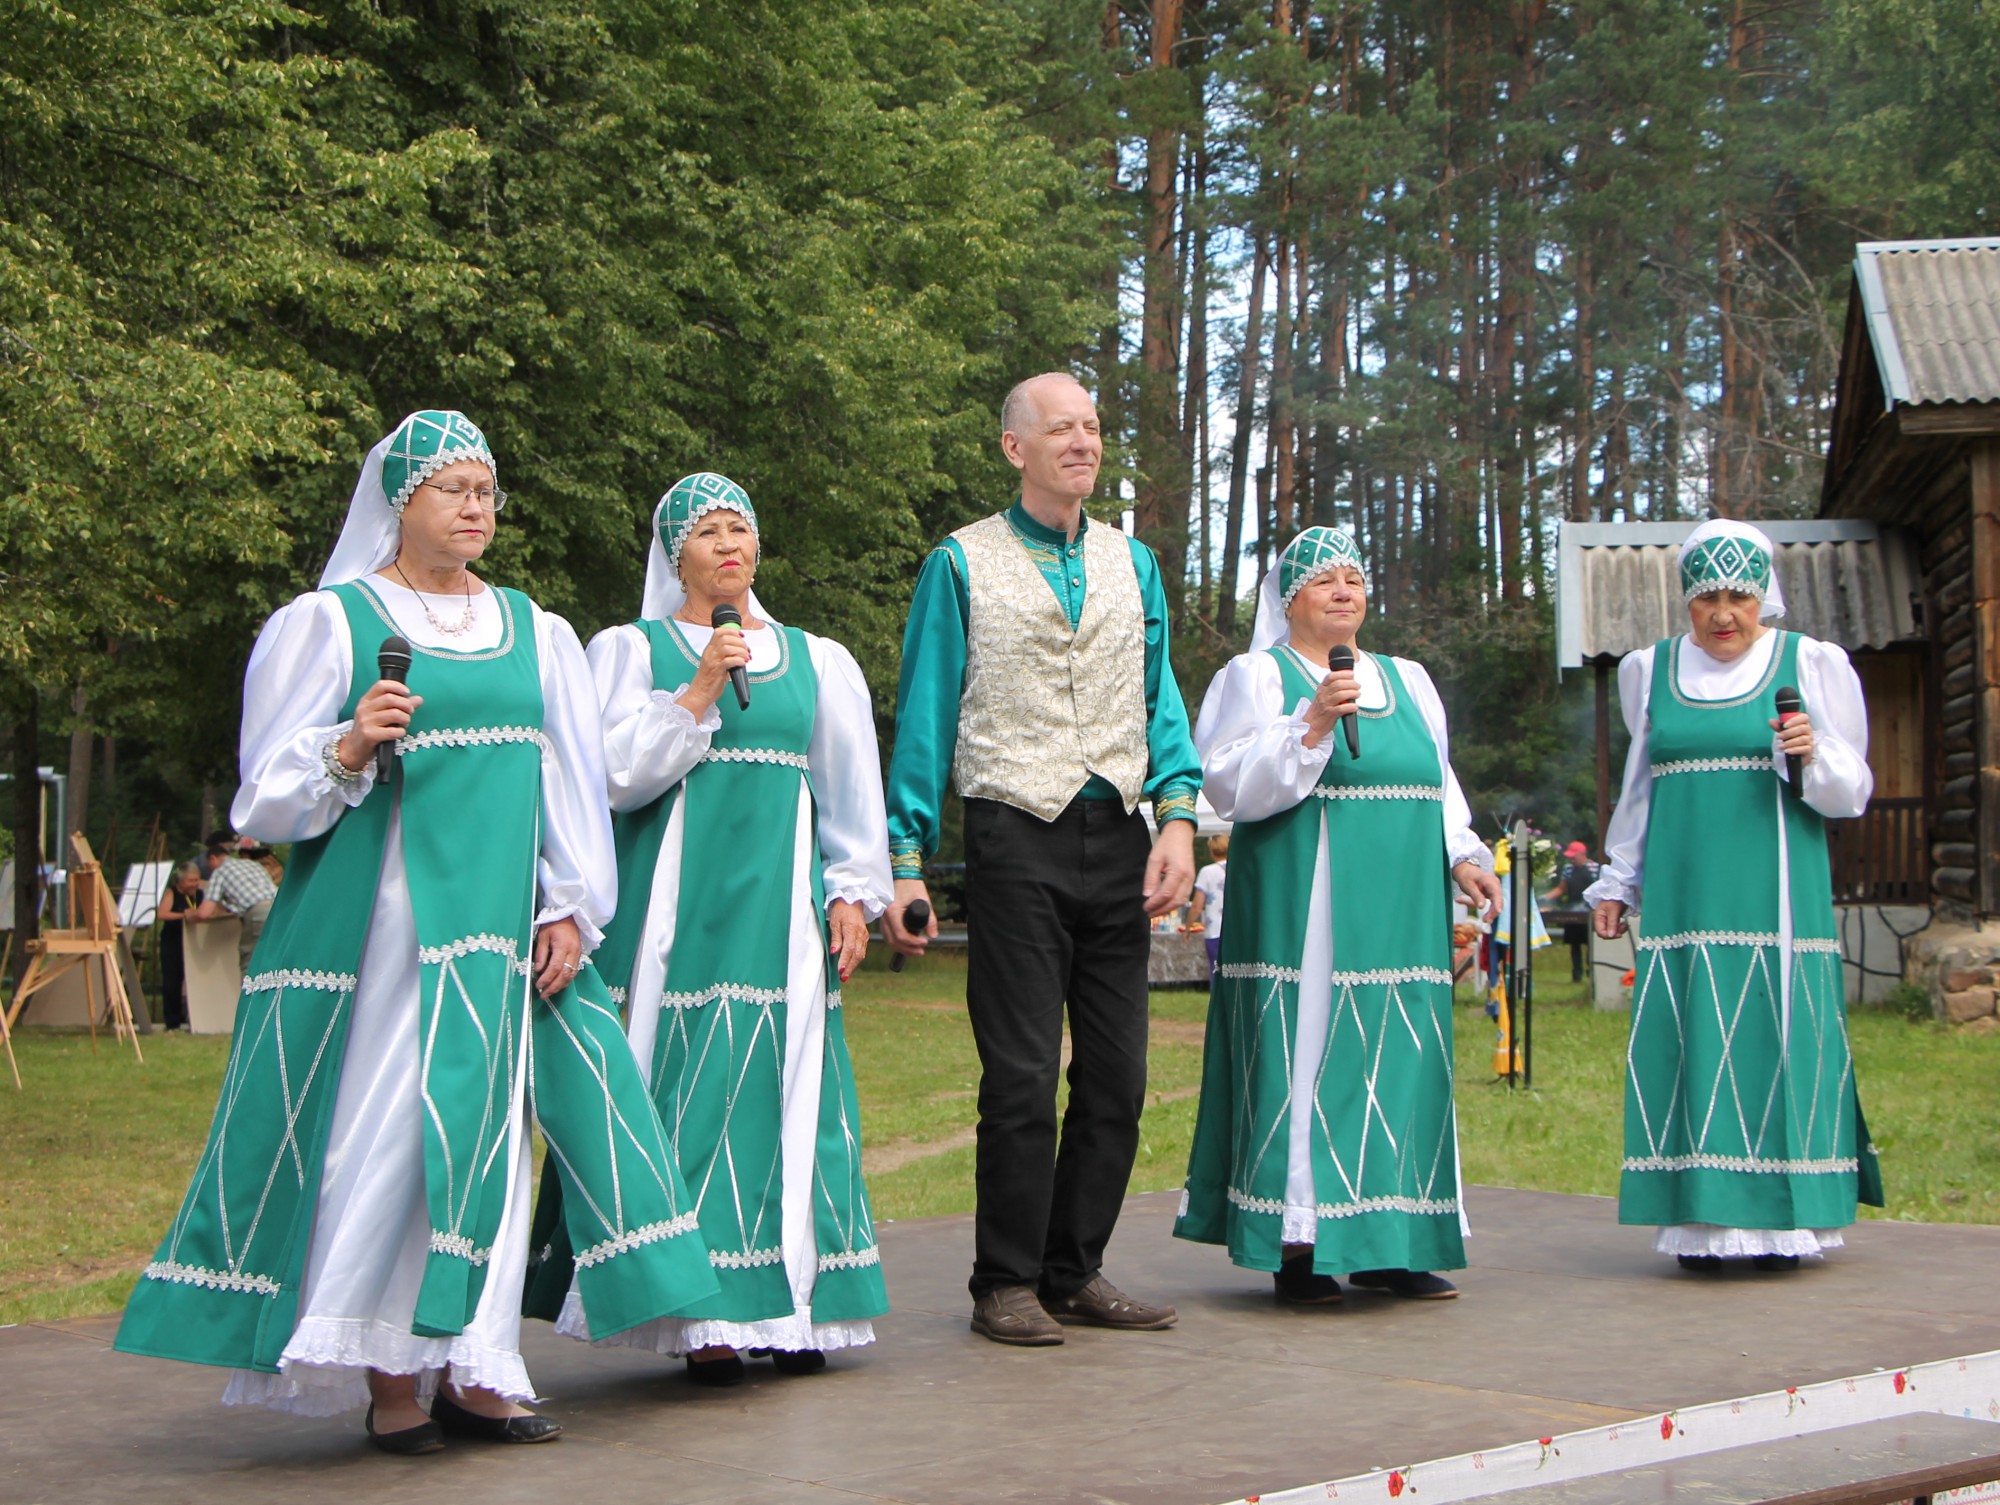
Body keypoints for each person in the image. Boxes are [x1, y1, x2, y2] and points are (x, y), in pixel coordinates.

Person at [116, 411, 716, 1453]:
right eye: (454, 490)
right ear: (401, 502)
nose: (476, 508)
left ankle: (476, 1367)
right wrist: (349, 743)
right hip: (375, 941)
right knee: (391, 1141)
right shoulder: (330, 621)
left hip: (495, 933)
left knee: (489, 1144)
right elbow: (266, 799)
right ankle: (391, 1377)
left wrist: (573, 902)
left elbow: (568, 779)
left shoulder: (537, 629)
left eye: (486, 490)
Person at [540, 472, 892, 1384]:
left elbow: (848, 786)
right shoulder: (628, 649)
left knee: (791, 1089)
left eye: (742, 527)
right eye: (707, 533)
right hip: (671, 915)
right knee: (684, 1089)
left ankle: (797, 1304)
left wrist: (852, 890)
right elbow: (606, 777)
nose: (729, 545)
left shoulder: (819, 659)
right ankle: (707, 1320)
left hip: (779, 914)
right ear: (674, 555)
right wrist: (695, 691)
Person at [884, 372, 1201, 1347]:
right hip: (1013, 827)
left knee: (1117, 1078)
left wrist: (1179, 815)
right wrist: (904, 853)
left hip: (1116, 829)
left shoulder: (1129, 561)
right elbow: (927, 708)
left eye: (1092, 426)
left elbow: (1157, 695)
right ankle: (1003, 1279)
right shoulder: (960, 564)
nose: (1082, 441)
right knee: (1019, 1074)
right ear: (1014, 447)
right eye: (1059, 427)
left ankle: (1075, 1267)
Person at [1176, 527, 1501, 1304]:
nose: (1345, 590)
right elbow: (1223, 788)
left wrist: (1463, 853)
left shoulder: (1410, 679)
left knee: (1399, 1057)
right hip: (1305, 911)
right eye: (1324, 580)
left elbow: (1439, 783)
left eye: (1355, 576)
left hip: (1400, 912)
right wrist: (1312, 723)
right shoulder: (1255, 676)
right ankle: (1300, 1244)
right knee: (1310, 1054)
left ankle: (1391, 1241)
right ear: (1290, 600)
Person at [1587, 518, 1881, 1273]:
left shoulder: (1809, 663)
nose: (1724, 614)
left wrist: (1814, 753)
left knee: (1772, 1031)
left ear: (1764, 600)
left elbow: (1851, 791)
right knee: (1694, 1038)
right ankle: (1702, 1221)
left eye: (1740, 597)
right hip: (1686, 897)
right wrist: (1619, 878)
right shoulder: (1650, 671)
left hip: (1777, 893)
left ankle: (1782, 1220)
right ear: (1686, 600)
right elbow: (1641, 789)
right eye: (1708, 596)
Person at [187, 830, 277, 973]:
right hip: (279, 912)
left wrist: (190, 915)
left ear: (213, 859)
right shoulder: (252, 865)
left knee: (250, 964)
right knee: (273, 962)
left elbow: (204, 913)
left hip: (257, 915)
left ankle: (248, 995)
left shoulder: (220, 872)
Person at [153, 861, 204, 1031]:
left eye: (196, 880)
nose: (194, 884)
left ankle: (196, 1019)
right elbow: (161, 914)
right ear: (180, 881)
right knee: (172, 982)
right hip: (173, 941)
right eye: (190, 881)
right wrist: (184, 915)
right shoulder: (172, 893)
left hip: (196, 943)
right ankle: (172, 1022)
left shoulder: (201, 894)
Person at [1185, 833, 1230, 975]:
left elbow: (1197, 906)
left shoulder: (1207, 872)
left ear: (1211, 850)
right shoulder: (1238, 868)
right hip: (1236, 929)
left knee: (1216, 970)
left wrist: (1188, 927)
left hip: (1215, 928)